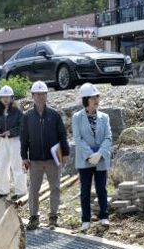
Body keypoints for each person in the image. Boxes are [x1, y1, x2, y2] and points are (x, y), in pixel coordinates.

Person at [20, 81, 70, 230]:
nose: (40, 97)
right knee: (33, 190)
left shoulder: (55, 115)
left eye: (43, 94)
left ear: (46, 95)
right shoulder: (27, 116)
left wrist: (65, 153)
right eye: (37, 94)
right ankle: (34, 217)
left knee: (55, 188)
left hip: (54, 157)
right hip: (35, 159)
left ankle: (53, 217)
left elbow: (62, 135)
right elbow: (24, 138)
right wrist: (24, 157)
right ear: (33, 96)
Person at [72, 83, 112, 232]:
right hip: (85, 159)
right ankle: (85, 219)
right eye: (93, 97)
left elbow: (108, 137)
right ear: (85, 99)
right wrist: (90, 155)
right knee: (85, 190)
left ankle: (104, 216)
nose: (96, 100)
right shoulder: (77, 117)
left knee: (102, 188)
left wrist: (100, 153)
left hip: (101, 158)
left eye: (97, 97)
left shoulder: (104, 117)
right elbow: (78, 138)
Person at [0, 85, 26, 200]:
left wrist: (11, 132)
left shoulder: (17, 111)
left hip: (15, 140)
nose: (5, 99)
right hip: (4, 141)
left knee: (17, 165)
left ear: (12, 98)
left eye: (7, 97)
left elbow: (23, 126)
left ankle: (21, 191)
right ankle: (4, 190)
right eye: (3, 97)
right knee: (3, 165)